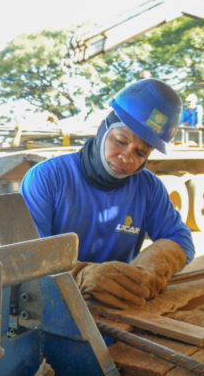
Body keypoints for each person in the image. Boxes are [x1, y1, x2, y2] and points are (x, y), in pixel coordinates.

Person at [20, 78, 194, 309]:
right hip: (51, 309)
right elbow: (26, 255)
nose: (127, 157)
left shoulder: (149, 188)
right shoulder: (47, 178)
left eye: (141, 153)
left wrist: (151, 269)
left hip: (117, 311)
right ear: (104, 130)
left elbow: (180, 239)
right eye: (120, 141)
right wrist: (80, 275)